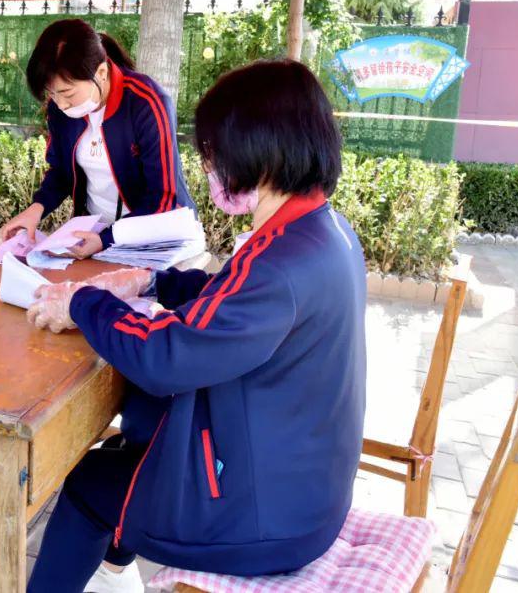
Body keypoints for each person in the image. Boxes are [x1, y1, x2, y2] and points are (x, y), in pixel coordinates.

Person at [25, 59, 367, 593]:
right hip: (300, 483)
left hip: (265, 520)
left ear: (257, 148)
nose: (209, 169)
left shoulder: (279, 264)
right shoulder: (320, 229)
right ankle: (119, 552)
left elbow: (170, 359)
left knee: (88, 486)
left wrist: (84, 303)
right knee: (132, 442)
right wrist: (153, 284)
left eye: (213, 155)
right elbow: (228, 300)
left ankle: (109, 548)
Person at [1, 19, 194, 258]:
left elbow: (164, 195)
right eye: (51, 94)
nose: (60, 104)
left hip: (154, 236)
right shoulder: (60, 111)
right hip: (95, 235)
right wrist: (36, 209)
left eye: (66, 93)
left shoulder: (147, 103)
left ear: (101, 72)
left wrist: (108, 238)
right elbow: (61, 172)